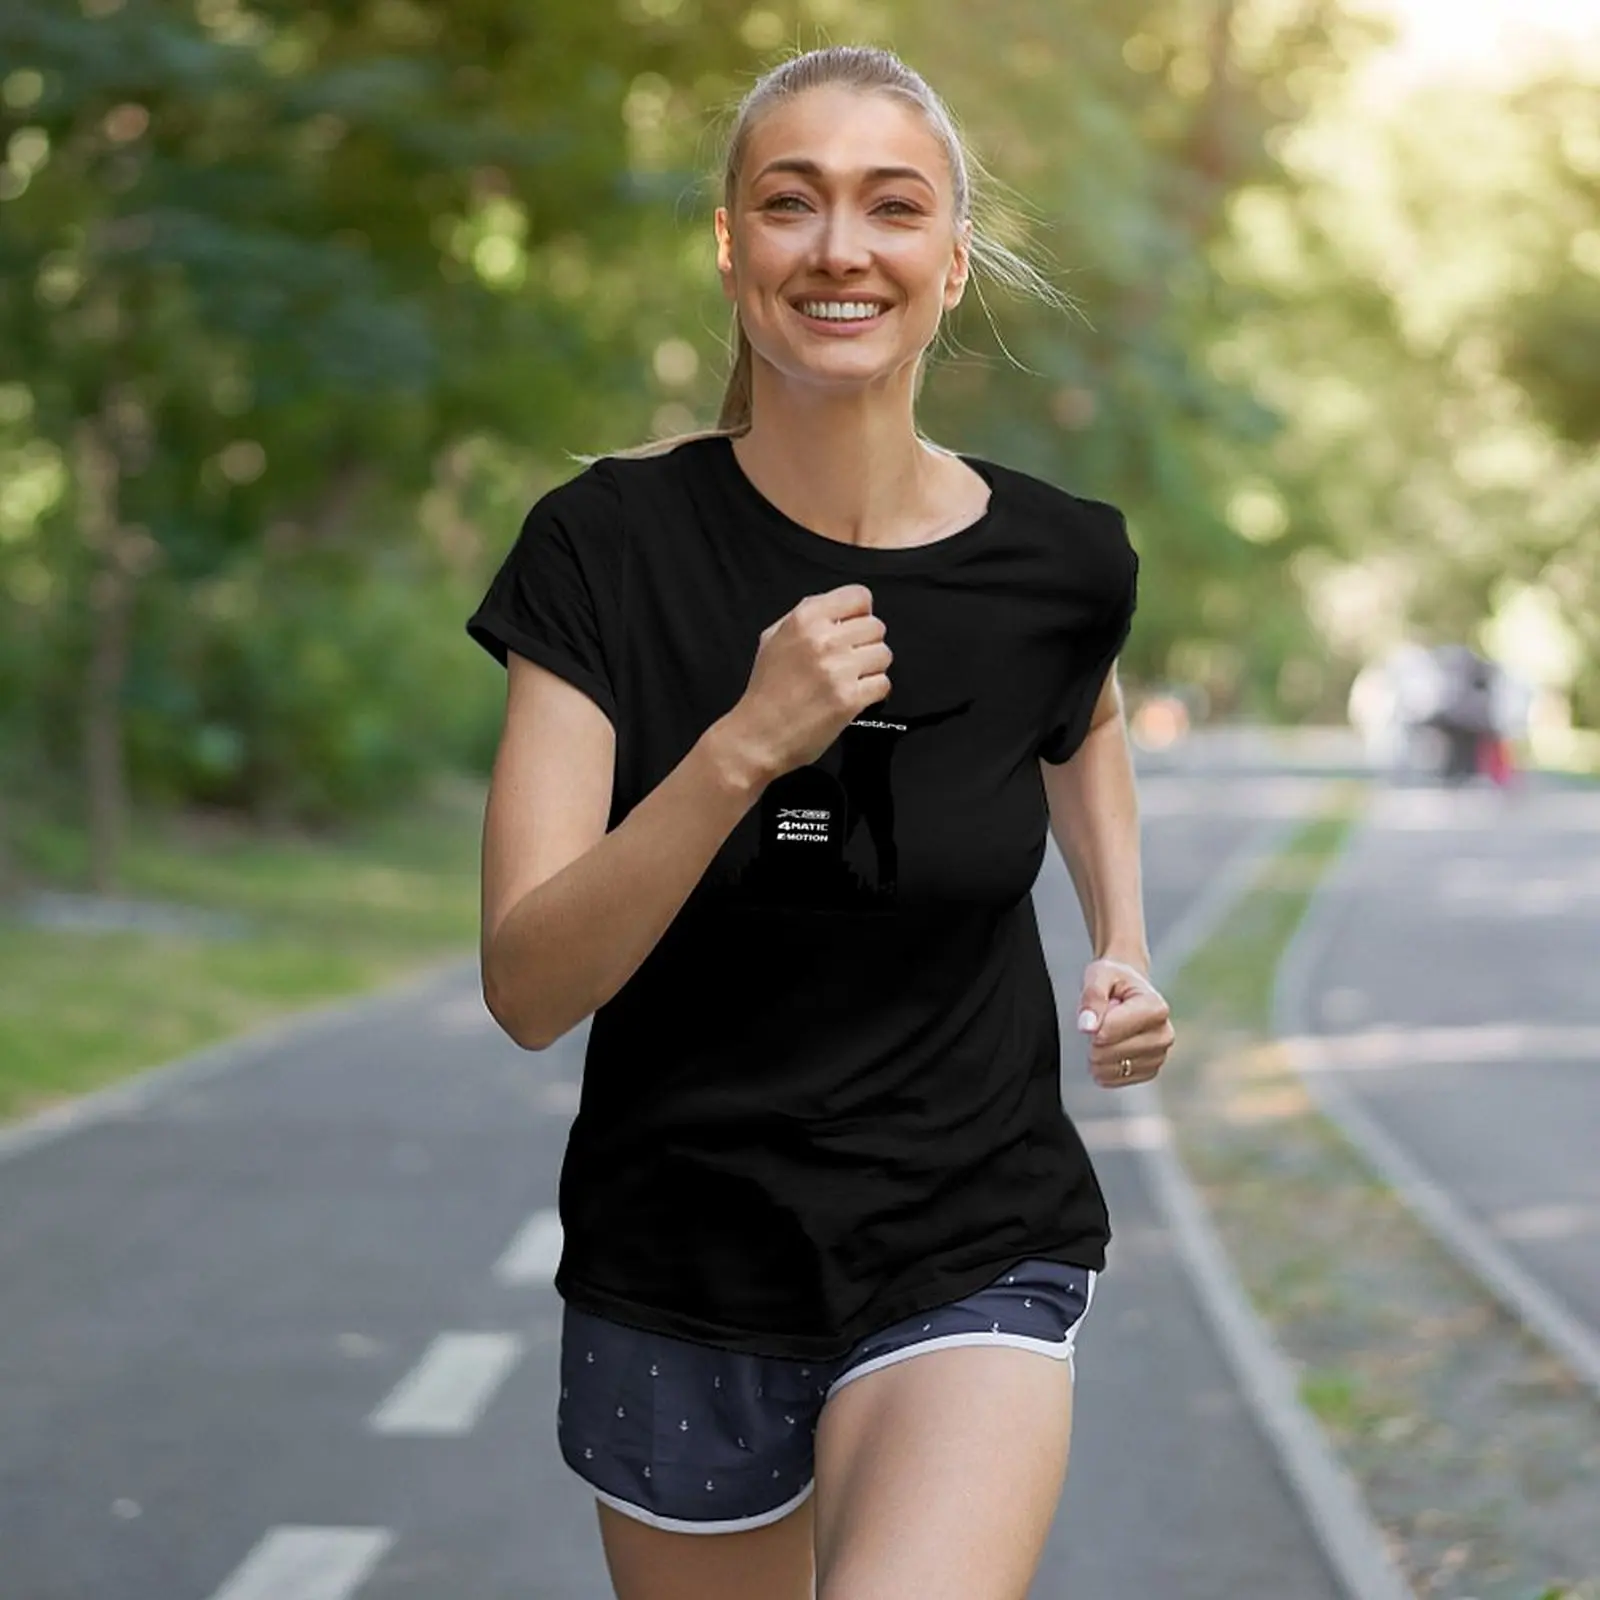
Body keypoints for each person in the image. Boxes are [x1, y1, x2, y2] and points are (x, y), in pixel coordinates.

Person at [466, 43, 1174, 1600]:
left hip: (972, 1236)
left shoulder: (1061, 562)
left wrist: (1122, 936)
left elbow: (1089, 714)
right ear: (733, 247)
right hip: (681, 1269)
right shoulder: (604, 552)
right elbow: (528, 987)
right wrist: (740, 748)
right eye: (791, 205)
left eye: (890, 207)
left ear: (950, 259)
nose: (840, 247)